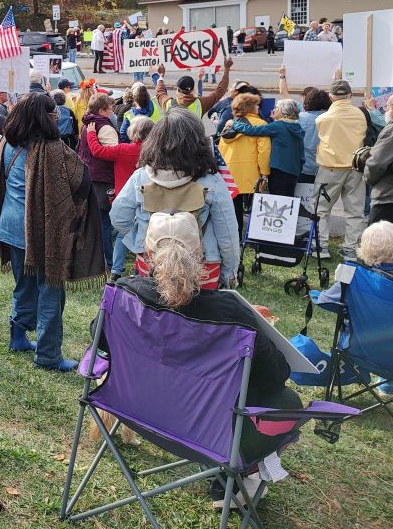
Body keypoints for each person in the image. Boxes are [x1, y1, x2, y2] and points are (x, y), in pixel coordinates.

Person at [106, 212, 299, 506]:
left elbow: (102, 339)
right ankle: (231, 483)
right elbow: (276, 376)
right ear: (200, 254)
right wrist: (261, 333)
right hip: (207, 431)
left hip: (137, 410)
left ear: (147, 253)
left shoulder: (121, 295)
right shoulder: (232, 313)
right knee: (288, 403)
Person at [0, 93, 105, 370]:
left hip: (9, 226)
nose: (57, 116)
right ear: (45, 117)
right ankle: (47, 355)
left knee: (24, 284)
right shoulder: (53, 150)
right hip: (42, 232)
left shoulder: (8, 142)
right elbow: (82, 180)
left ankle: (18, 337)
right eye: (53, 112)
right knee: (51, 291)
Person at [111, 109, 240, 289]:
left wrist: (140, 239)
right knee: (198, 317)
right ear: (198, 143)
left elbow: (118, 217)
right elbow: (227, 232)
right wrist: (230, 273)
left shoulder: (141, 177)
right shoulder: (212, 181)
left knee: (152, 316)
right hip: (202, 267)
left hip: (152, 262)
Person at [86, 116, 156, 279]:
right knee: (148, 233)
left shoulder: (123, 149)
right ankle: (142, 267)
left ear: (134, 132)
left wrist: (91, 133)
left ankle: (116, 270)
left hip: (123, 198)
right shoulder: (156, 153)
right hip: (149, 198)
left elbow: (97, 151)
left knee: (121, 234)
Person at [314, 79, 368, 258]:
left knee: (321, 209)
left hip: (330, 167)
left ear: (330, 97)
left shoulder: (322, 119)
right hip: (356, 166)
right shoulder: (360, 114)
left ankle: (321, 247)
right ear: (350, 95)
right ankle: (350, 248)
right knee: (355, 210)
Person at [217, 93, 271, 242]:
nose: (258, 107)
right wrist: (265, 172)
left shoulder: (229, 125)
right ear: (251, 108)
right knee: (255, 209)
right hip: (251, 173)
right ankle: (254, 239)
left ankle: (236, 238)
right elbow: (264, 152)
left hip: (230, 173)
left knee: (234, 210)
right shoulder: (260, 125)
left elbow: (221, 150)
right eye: (256, 105)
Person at [224, 98, 304, 197]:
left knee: (278, 203)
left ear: (281, 111)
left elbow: (253, 130)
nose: (274, 110)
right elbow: (301, 156)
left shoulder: (277, 126)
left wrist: (234, 124)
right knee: (289, 203)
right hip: (293, 172)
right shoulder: (297, 128)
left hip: (278, 171)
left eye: (276, 108)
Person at [77, 93, 118, 270]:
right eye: (110, 109)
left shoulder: (87, 123)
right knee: (104, 223)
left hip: (89, 176)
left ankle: (92, 259)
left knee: (93, 221)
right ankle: (108, 261)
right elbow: (113, 153)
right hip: (102, 179)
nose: (112, 111)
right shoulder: (105, 127)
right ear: (101, 110)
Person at [154, 57, 233, 116]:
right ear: (193, 90)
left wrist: (161, 75)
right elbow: (220, 91)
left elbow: (160, 92)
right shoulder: (201, 104)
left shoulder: (168, 104)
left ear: (178, 90)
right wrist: (227, 69)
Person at [364, 95, 393, 225]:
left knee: (378, 243)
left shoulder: (391, 131)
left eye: (386, 107)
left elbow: (376, 163)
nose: (385, 110)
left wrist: (367, 177)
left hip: (387, 197)